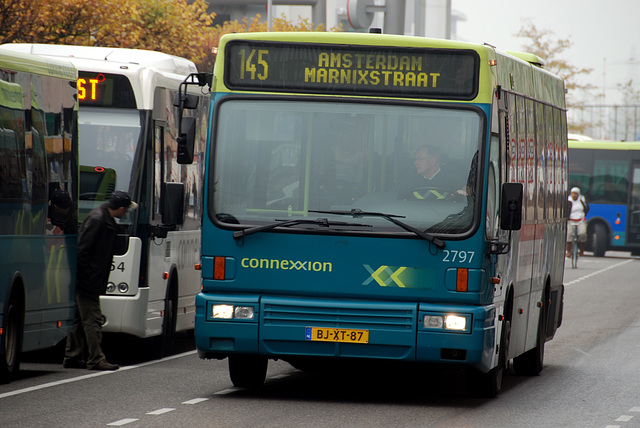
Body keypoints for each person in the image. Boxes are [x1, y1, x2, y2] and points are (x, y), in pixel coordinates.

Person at [63, 190, 138, 370]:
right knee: (92, 319)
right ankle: (96, 358)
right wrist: (86, 278)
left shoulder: (103, 218)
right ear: (120, 208)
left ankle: (72, 356)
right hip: (87, 279)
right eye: (126, 209)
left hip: (87, 278)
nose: (126, 212)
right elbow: (82, 251)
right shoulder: (99, 220)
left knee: (79, 319)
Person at [566, 187, 589, 257]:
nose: (574, 195)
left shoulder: (582, 200)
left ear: (578, 194)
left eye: (575, 193)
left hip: (580, 220)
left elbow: (587, 208)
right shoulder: (568, 200)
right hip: (571, 220)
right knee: (569, 235)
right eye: (572, 193)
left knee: (582, 234)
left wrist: (583, 216)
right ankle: (568, 251)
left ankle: (581, 250)